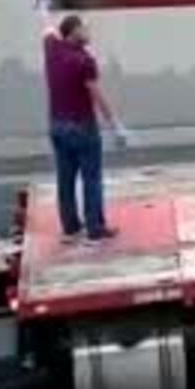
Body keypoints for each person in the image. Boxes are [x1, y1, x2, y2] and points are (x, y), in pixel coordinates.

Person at [43, 14, 125, 245]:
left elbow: (47, 29)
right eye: (84, 28)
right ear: (73, 32)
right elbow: (97, 96)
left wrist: (47, 6)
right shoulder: (84, 60)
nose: (89, 31)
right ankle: (95, 231)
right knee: (92, 179)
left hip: (57, 126)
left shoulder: (52, 49)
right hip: (82, 128)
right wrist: (115, 125)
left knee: (65, 178)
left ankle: (70, 229)